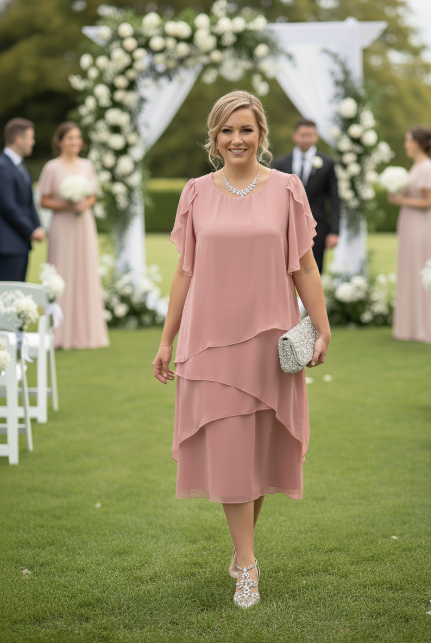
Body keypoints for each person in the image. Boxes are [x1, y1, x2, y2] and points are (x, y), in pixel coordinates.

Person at [152, 92, 331, 608]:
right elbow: (184, 271)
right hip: (210, 343)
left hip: (270, 342)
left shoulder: (288, 189)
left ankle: (241, 549)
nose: (237, 139)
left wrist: (322, 329)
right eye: (227, 130)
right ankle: (248, 566)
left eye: (246, 129)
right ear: (214, 138)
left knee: (258, 455)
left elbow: (304, 267)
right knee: (231, 451)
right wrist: (166, 339)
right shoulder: (195, 193)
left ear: (261, 135)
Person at [38, 122, 108, 350]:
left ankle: (87, 332)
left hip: (84, 224)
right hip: (62, 225)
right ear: (59, 141)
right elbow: (44, 200)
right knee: (63, 272)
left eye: (77, 137)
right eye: (69, 138)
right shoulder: (52, 168)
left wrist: (84, 203)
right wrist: (68, 205)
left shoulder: (87, 166)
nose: (75, 142)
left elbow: (93, 195)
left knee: (85, 272)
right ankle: (60, 334)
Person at [273, 117, 340, 273]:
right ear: (294, 135)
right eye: (303, 135)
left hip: (317, 228)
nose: (307, 139)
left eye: (311, 135)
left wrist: (334, 231)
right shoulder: (281, 163)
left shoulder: (327, 163)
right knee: (284, 270)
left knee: (314, 271)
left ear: (316, 137)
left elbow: (334, 199)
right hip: (285, 226)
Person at [389, 125, 431, 342]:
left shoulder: (426, 168)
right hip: (410, 226)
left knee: (419, 270)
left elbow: (429, 201)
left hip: (420, 228)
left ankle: (424, 326)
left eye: (408, 141)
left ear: (416, 143)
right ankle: (411, 326)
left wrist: (403, 200)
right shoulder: (416, 167)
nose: (405, 145)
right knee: (410, 271)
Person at [0, 118, 45, 281]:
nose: (33, 142)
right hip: (7, 246)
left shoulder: (20, 166)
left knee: (19, 290)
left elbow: (28, 202)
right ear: (19, 140)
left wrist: (38, 226)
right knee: (8, 292)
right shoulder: (2, 166)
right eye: (30, 138)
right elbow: (8, 206)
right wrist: (31, 230)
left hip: (20, 243)